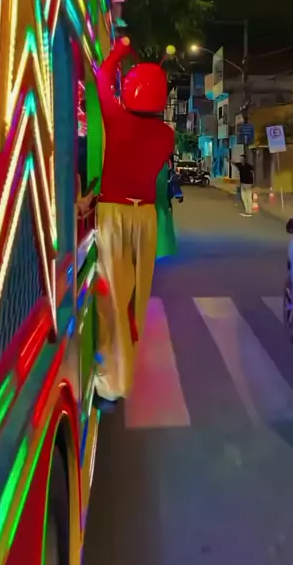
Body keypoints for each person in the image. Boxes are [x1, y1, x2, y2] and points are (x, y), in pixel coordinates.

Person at [94, 37, 174, 409]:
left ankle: (112, 382)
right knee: (134, 304)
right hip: (145, 219)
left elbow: (101, 78)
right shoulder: (166, 135)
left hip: (114, 214)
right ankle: (121, 376)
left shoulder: (116, 119)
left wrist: (120, 49)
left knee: (112, 300)